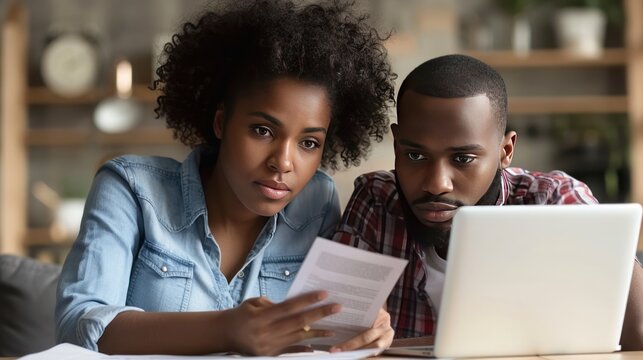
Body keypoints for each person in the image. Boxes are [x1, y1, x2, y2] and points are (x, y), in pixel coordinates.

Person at [55, 0, 397, 355]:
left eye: (309, 143)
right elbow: (78, 325)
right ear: (221, 123)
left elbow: (322, 333)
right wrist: (227, 328)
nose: (283, 162)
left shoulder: (317, 201)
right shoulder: (130, 188)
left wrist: (364, 324)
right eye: (262, 130)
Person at [333, 54, 643, 349]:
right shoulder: (377, 199)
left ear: (505, 150)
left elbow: (639, 332)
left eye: (463, 158)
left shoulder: (553, 199)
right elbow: (345, 333)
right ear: (397, 144)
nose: (436, 184)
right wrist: (362, 323)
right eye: (415, 155)